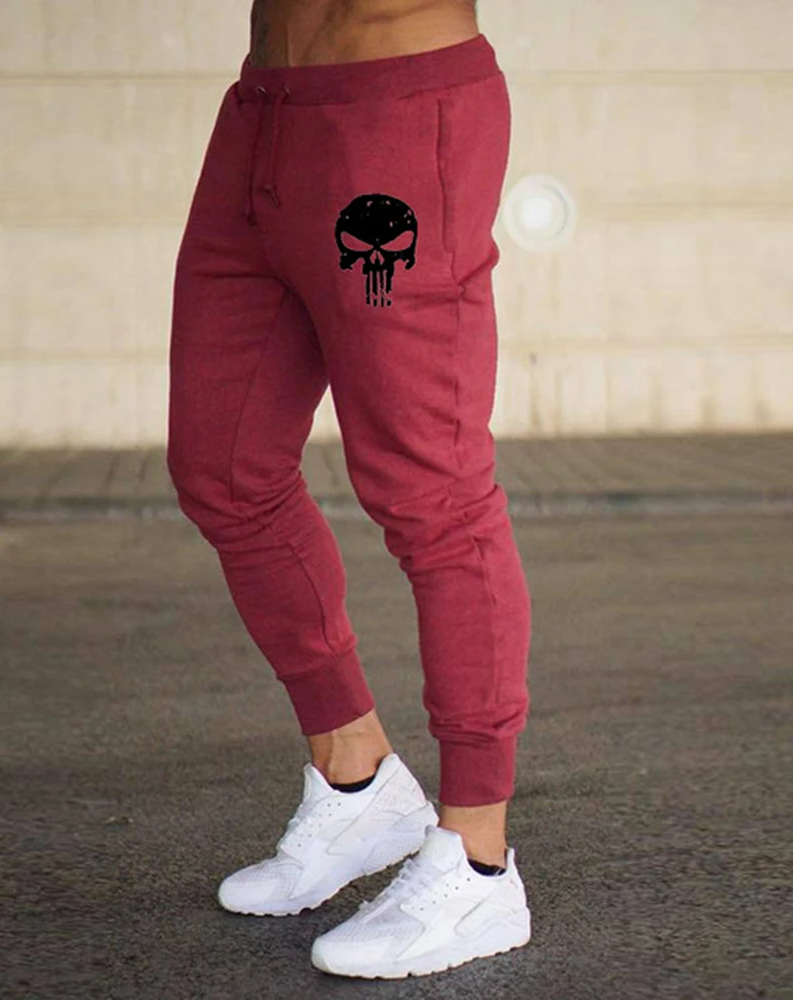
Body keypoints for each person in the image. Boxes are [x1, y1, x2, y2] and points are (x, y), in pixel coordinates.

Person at [167, 0, 532, 978]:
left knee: (432, 495)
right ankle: (357, 780)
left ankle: (477, 861)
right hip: (262, 118)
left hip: (395, 120)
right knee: (223, 468)